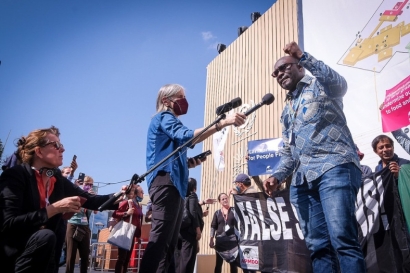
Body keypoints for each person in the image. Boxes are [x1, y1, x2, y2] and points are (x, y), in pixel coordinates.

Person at [263, 42, 366, 272]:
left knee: (343, 240)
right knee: (318, 248)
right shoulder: (287, 109)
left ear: (300, 66)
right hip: (302, 183)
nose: (278, 74)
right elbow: (288, 151)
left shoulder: (321, 84)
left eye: (283, 68)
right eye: (275, 73)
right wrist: (277, 176)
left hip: (334, 167)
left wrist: (302, 54)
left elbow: (341, 84)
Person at [139, 83, 246, 273]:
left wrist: (189, 163)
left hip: (175, 187)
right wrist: (222, 123)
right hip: (166, 184)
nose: (185, 101)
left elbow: (172, 154)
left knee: (168, 245)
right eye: (180, 97)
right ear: (166, 101)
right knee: (160, 241)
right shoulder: (164, 117)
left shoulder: (170, 121)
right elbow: (187, 137)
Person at [0, 126, 119, 273]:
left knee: (51, 235)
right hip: (17, 256)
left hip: (48, 257)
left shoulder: (57, 179)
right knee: (46, 235)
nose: (62, 150)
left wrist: (121, 195)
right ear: (39, 151)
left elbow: (91, 200)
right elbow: (8, 224)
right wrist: (54, 209)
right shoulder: (15, 176)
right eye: (56, 145)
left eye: (61, 145)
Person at [65, 175, 97, 273]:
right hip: (73, 224)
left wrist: (93, 199)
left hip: (85, 225)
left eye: (91, 184)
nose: (89, 186)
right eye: (87, 184)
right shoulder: (76, 194)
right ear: (82, 184)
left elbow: (95, 211)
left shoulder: (91, 195)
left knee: (85, 255)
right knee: (71, 255)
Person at [112, 185, 143, 273]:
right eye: (141, 192)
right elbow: (115, 214)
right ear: (136, 194)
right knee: (122, 258)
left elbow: (138, 221)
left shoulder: (139, 206)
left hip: (132, 233)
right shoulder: (128, 202)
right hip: (125, 232)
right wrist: (126, 213)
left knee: (127, 259)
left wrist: (139, 236)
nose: (143, 194)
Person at [175, 178, 203, 273]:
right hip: (189, 232)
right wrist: (198, 229)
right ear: (194, 187)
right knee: (187, 261)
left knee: (178, 260)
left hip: (178, 230)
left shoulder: (180, 195)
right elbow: (193, 213)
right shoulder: (192, 195)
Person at [209, 193, 238, 273]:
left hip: (232, 242)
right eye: (223, 199)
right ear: (220, 201)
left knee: (233, 264)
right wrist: (211, 239)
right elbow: (213, 227)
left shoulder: (234, 210)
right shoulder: (217, 213)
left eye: (226, 198)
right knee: (218, 264)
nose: (225, 200)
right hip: (220, 241)